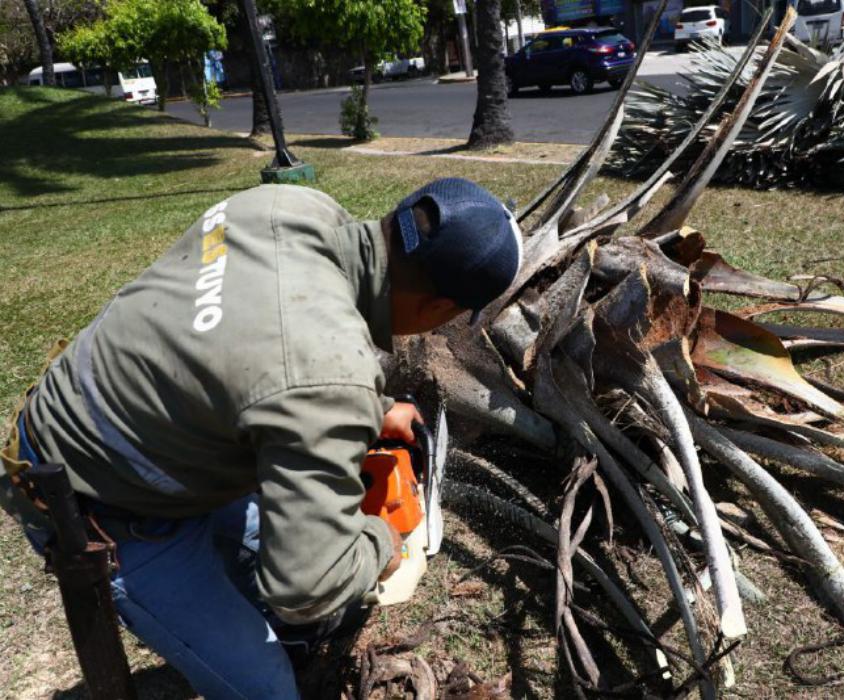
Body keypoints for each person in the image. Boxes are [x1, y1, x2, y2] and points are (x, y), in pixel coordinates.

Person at [0, 178, 523, 699]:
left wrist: (374, 408)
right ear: (438, 310)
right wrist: (382, 542)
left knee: (288, 570)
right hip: (97, 502)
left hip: (104, 416)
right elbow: (306, 586)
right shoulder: (326, 375)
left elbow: (245, 346)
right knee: (272, 682)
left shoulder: (285, 205)